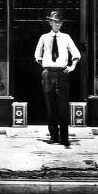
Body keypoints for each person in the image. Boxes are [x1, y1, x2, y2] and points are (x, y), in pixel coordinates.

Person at [34, 10, 81, 147]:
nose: (56, 24)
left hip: (62, 73)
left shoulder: (66, 37)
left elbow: (76, 53)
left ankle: (64, 138)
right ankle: (53, 136)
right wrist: (45, 67)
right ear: (50, 23)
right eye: (54, 22)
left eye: (59, 22)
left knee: (63, 106)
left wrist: (72, 66)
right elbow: (37, 55)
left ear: (61, 23)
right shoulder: (44, 37)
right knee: (50, 105)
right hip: (48, 72)